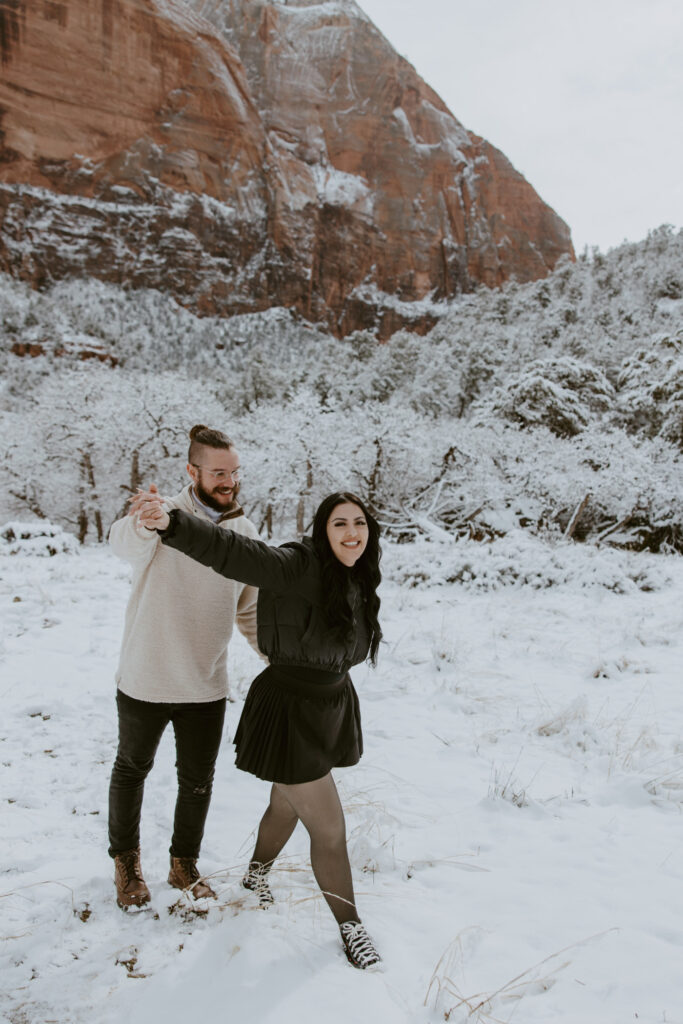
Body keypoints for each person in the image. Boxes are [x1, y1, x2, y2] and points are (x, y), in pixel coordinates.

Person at [132, 487, 383, 969]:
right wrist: (173, 523)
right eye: (339, 524)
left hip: (328, 703)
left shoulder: (357, 574)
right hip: (290, 708)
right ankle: (352, 926)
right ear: (321, 530)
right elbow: (234, 552)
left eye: (360, 524)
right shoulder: (297, 564)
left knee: (286, 802)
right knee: (329, 827)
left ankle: (254, 878)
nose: (352, 534)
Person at [108, 425, 263, 910]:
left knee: (197, 780)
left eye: (234, 473)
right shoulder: (162, 515)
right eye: (218, 473)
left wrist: (279, 661)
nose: (229, 482)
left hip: (205, 682)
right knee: (132, 770)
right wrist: (143, 522)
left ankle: (183, 865)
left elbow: (250, 609)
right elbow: (124, 545)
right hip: (146, 676)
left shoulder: (243, 531)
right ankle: (127, 865)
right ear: (191, 471)